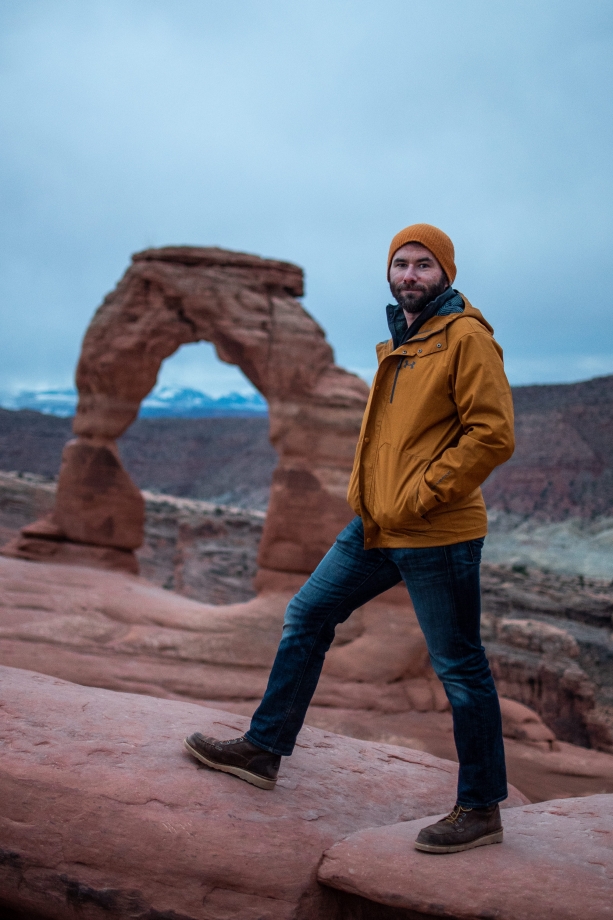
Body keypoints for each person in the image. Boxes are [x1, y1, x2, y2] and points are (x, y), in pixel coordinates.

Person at [184, 223, 515, 854]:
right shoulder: (407, 337)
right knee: (307, 615)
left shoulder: (466, 339)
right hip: (376, 525)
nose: (410, 276)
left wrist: (422, 494)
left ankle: (480, 809)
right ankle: (263, 749)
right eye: (401, 264)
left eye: (422, 265)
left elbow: (493, 434)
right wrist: (380, 500)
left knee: (460, 669)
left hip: (434, 531)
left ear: (445, 272)